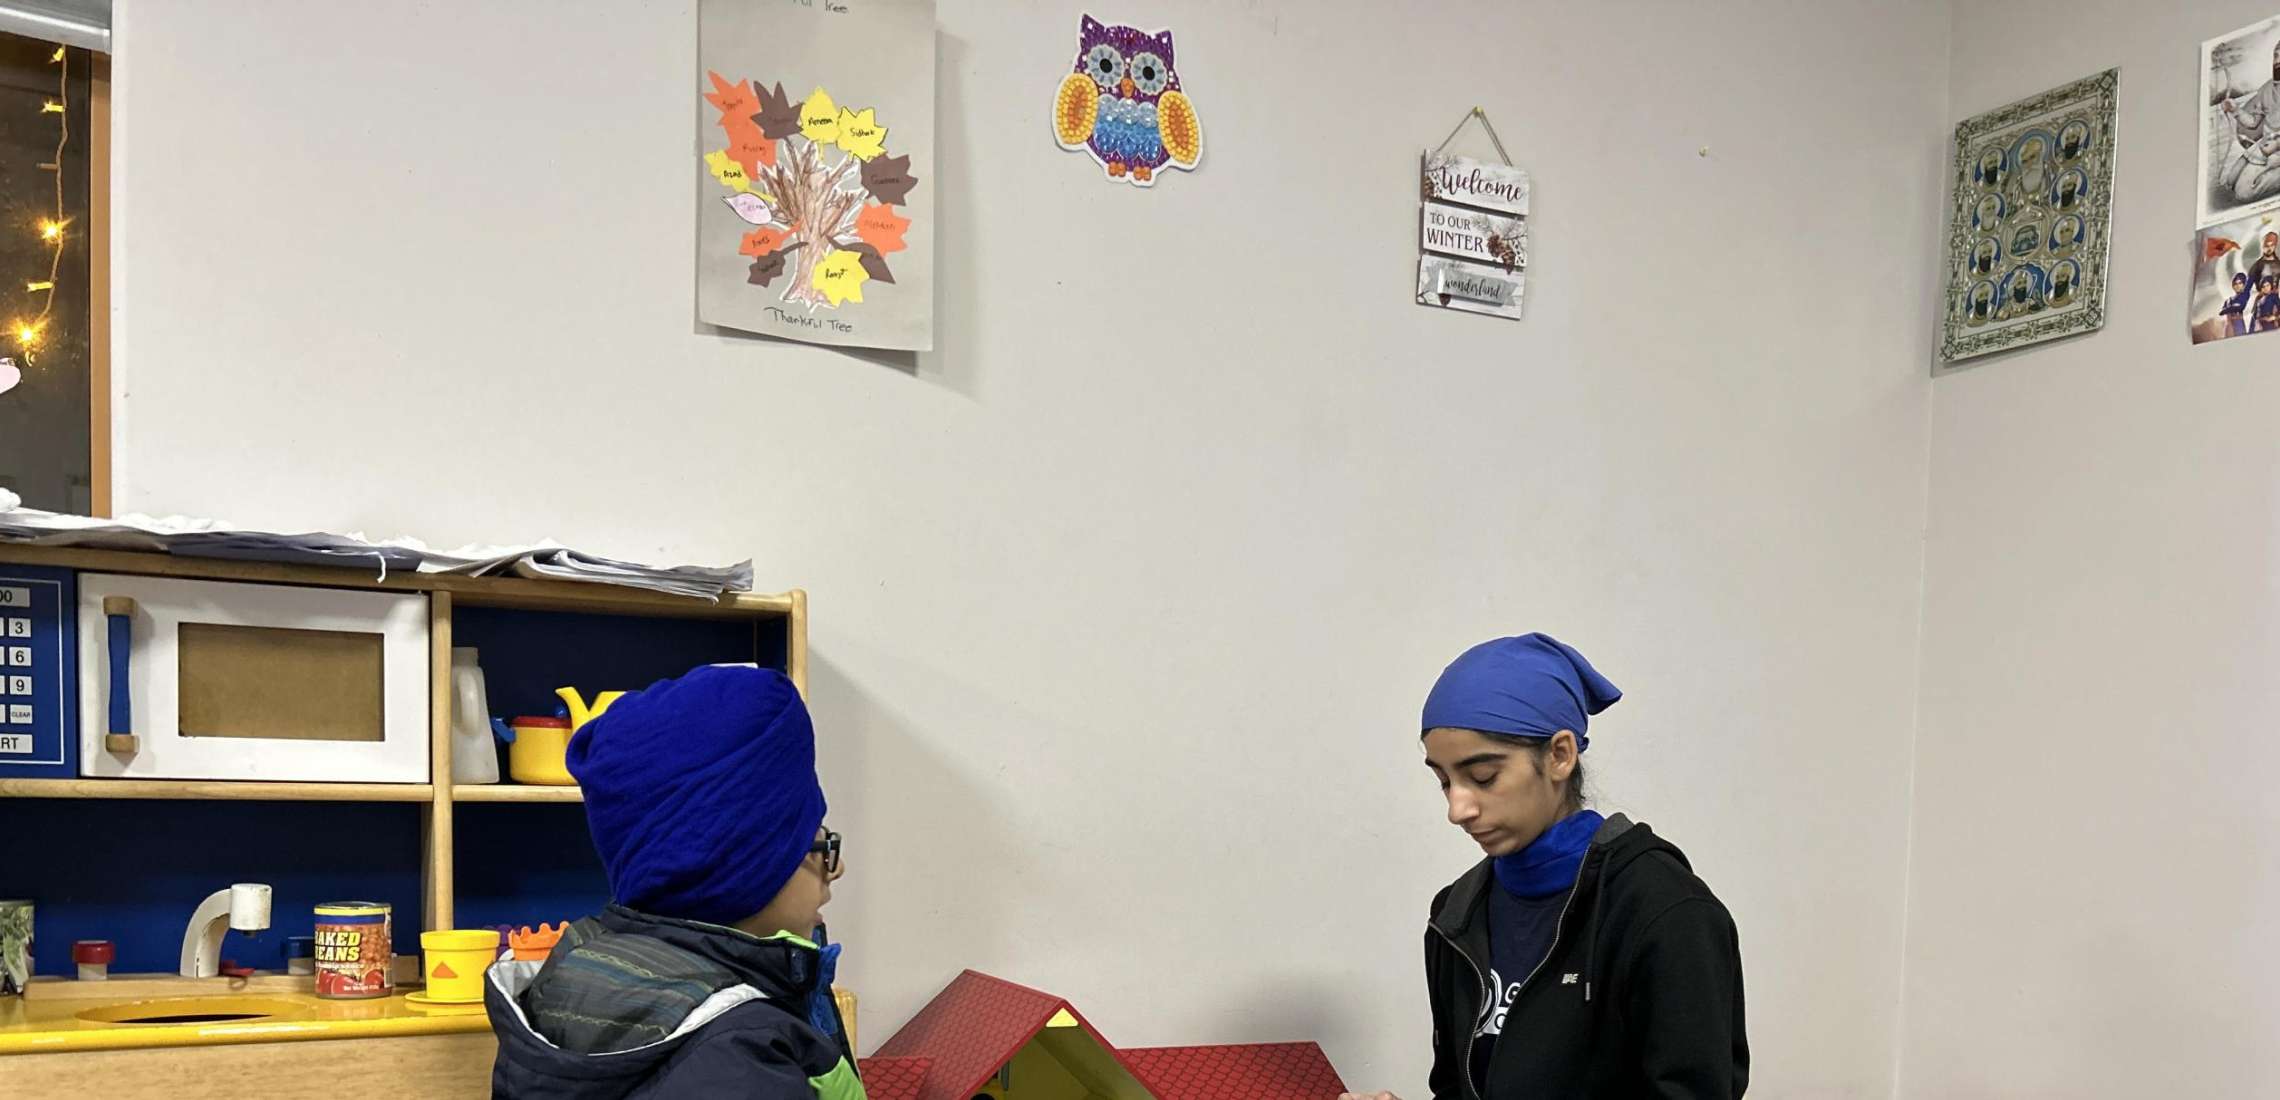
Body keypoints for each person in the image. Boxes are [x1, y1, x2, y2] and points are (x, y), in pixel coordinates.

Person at [1341, 634, 1747, 1100]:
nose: (1457, 809)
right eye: (1444, 781)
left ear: (1560, 755)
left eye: (1482, 777)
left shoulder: (1666, 913)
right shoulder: (1456, 915)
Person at [487, 665, 858, 1099]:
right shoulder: (740, 1065)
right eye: (817, 846)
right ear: (743, 866)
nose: (836, 869)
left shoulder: (573, 978)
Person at [2222, 272, 2252, 337]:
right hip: (2230, 327)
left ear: (2243, 285)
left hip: (2240, 325)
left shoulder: (2245, 297)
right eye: (2235, 284)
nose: (2238, 286)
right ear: (2233, 286)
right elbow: (2226, 317)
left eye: (2240, 283)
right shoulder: (2228, 301)